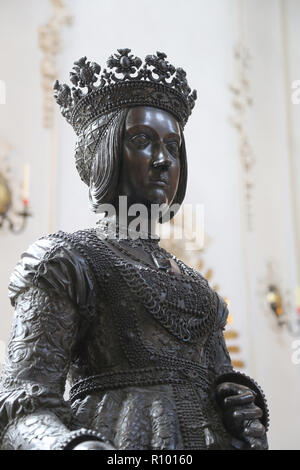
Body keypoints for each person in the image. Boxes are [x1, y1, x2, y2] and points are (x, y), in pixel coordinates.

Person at [0, 50, 268, 450]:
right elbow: (20, 404)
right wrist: (70, 447)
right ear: (103, 153)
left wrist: (242, 406)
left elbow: (219, 381)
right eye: (143, 141)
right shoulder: (66, 260)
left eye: (174, 147)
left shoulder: (197, 288)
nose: (163, 160)